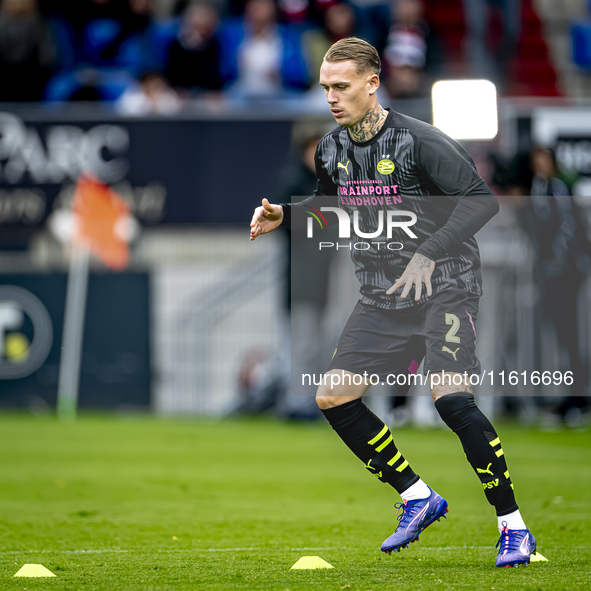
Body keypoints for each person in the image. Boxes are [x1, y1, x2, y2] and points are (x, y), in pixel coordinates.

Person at [250, 37, 539, 567]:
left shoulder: (422, 141)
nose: (332, 98)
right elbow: (332, 207)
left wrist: (428, 252)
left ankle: (513, 527)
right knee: (333, 397)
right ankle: (417, 497)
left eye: (341, 87)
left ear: (372, 83)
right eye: (325, 89)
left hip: (447, 285)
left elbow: (481, 202)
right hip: (381, 295)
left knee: (451, 400)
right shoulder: (331, 148)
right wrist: (285, 217)